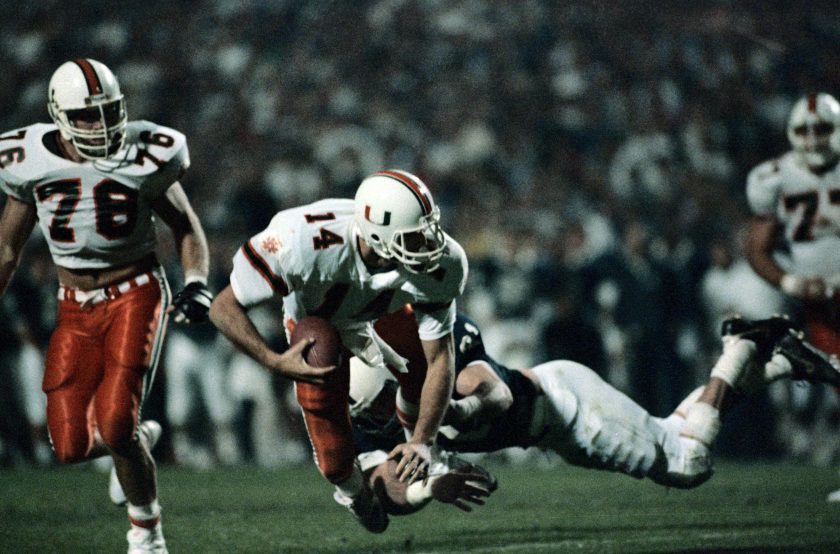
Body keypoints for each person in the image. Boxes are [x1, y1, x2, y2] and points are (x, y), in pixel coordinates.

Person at [0, 58, 214, 554]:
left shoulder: (147, 153)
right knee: (70, 445)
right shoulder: (29, 159)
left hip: (136, 290)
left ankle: (146, 532)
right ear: (58, 114)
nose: (101, 125)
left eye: (109, 112)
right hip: (74, 304)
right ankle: (136, 439)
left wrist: (197, 280)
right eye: (87, 116)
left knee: (115, 422)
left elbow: (185, 225)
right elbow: (8, 249)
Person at [345, 309, 840, 506]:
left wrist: (449, 415)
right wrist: (429, 487)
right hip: (552, 437)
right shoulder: (367, 411)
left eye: (379, 405)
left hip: (565, 402)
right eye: (369, 413)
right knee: (673, 435)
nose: (376, 420)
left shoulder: (437, 352)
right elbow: (381, 492)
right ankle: (771, 361)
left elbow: (498, 393)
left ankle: (739, 347)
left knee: (689, 464)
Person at [208, 169, 468, 533]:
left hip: (381, 310)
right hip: (318, 324)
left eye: (427, 230)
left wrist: (424, 441)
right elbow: (222, 308)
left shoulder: (443, 263)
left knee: (420, 360)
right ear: (376, 232)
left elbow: (441, 357)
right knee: (334, 461)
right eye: (415, 237)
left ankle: (423, 449)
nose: (429, 244)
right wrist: (273, 360)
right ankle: (354, 495)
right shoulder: (301, 242)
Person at [745, 93, 840, 501]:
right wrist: (791, 283)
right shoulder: (773, 178)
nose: (813, 138)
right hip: (821, 304)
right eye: (804, 130)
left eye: (822, 128)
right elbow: (756, 248)